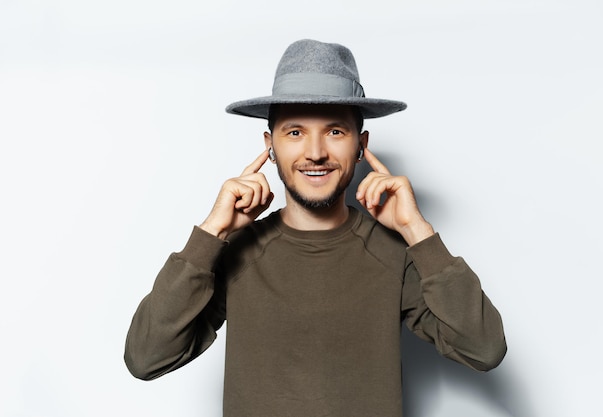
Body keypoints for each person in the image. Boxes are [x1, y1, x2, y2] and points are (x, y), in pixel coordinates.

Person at [124, 39, 506, 417]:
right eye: (295, 132)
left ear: (361, 145)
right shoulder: (234, 251)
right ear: (269, 146)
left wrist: (418, 231)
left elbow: (484, 350)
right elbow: (146, 358)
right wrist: (211, 234)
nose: (316, 152)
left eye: (335, 131)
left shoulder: (396, 251)